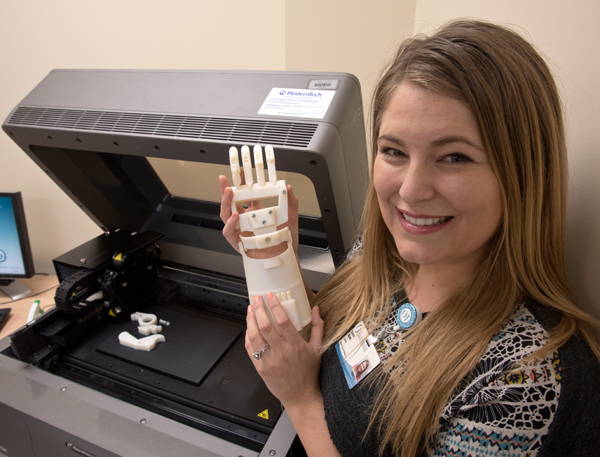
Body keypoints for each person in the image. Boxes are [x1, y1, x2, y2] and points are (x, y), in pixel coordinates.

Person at [219, 19, 600, 457]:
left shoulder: (523, 378)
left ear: (522, 174)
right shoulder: (382, 257)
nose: (411, 191)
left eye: (454, 156)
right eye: (395, 151)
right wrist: (276, 256)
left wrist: (300, 401)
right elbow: (318, 336)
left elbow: (309, 393)